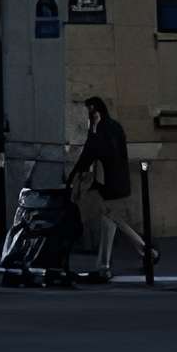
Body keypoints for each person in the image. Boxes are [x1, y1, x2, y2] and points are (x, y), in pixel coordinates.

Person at [68, 96, 155, 282]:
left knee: (111, 218)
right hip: (109, 182)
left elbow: (95, 153)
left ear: (96, 111)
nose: (88, 116)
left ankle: (111, 264)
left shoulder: (106, 129)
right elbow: (89, 153)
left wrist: (74, 176)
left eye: (89, 112)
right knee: (110, 220)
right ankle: (116, 262)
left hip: (110, 183)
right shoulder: (107, 127)